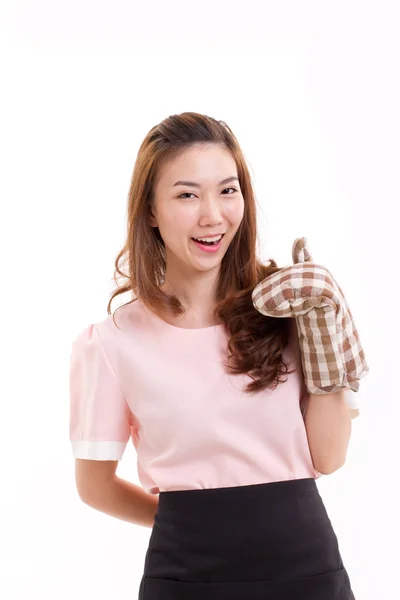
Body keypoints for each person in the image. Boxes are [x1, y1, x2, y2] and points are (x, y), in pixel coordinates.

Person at [69, 112, 356, 599]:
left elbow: (328, 457)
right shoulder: (112, 342)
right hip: (186, 576)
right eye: (187, 194)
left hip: (307, 570)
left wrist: (325, 334)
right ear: (151, 211)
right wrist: (192, 518)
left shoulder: (288, 306)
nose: (213, 215)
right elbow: (94, 486)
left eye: (228, 190)